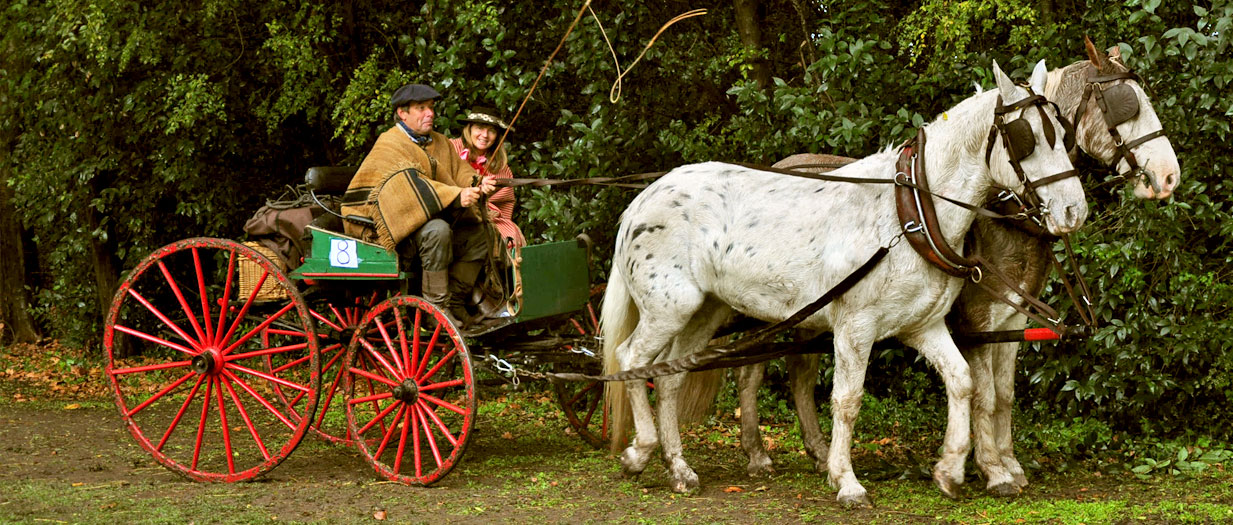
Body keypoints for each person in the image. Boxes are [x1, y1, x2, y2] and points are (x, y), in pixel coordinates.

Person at [339, 83, 498, 326]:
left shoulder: (439, 141)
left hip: (422, 223)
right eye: (421, 108)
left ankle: (455, 301)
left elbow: (459, 172)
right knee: (437, 231)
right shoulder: (390, 144)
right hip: (385, 230)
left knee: (479, 235)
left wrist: (478, 182)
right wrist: (457, 195)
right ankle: (436, 309)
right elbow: (407, 188)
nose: (430, 113)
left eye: (432, 108)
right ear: (403, 113)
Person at [449, 107, 526, 248]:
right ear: (469, 129)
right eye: (480, 128)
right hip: (451, 214)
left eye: (491, 131)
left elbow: (506, 204)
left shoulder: (501, 167)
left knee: (510, 237)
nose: (485, 135)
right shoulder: (451, 148)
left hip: (486, 220)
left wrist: (487, 201)